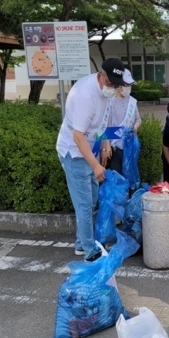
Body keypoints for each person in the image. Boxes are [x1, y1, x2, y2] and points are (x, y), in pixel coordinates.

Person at [56, 58, 127, 262]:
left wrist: (104, 146)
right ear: (101, 75)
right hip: (74, 151)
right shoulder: (86, 95)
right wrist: (95, 164)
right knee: (84, 204)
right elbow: (78, 136)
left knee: (93, 197)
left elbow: (103, 124)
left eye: (116, 84)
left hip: (90, 148)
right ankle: (89, 250)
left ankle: (81, 242)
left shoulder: (107, 93)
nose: (113, 88)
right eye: (111, 83)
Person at [100, 69, 141, 175]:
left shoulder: (132, 101)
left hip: (130, 147)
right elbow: (105, 125)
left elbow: (138, 119)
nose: (128, 87)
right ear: (119, 84)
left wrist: (135, 127)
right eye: (126, 84)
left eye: (130, 85)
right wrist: (106, 145)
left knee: (131, 177)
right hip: (115, 147)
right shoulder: (110, 101)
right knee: (117, 179)